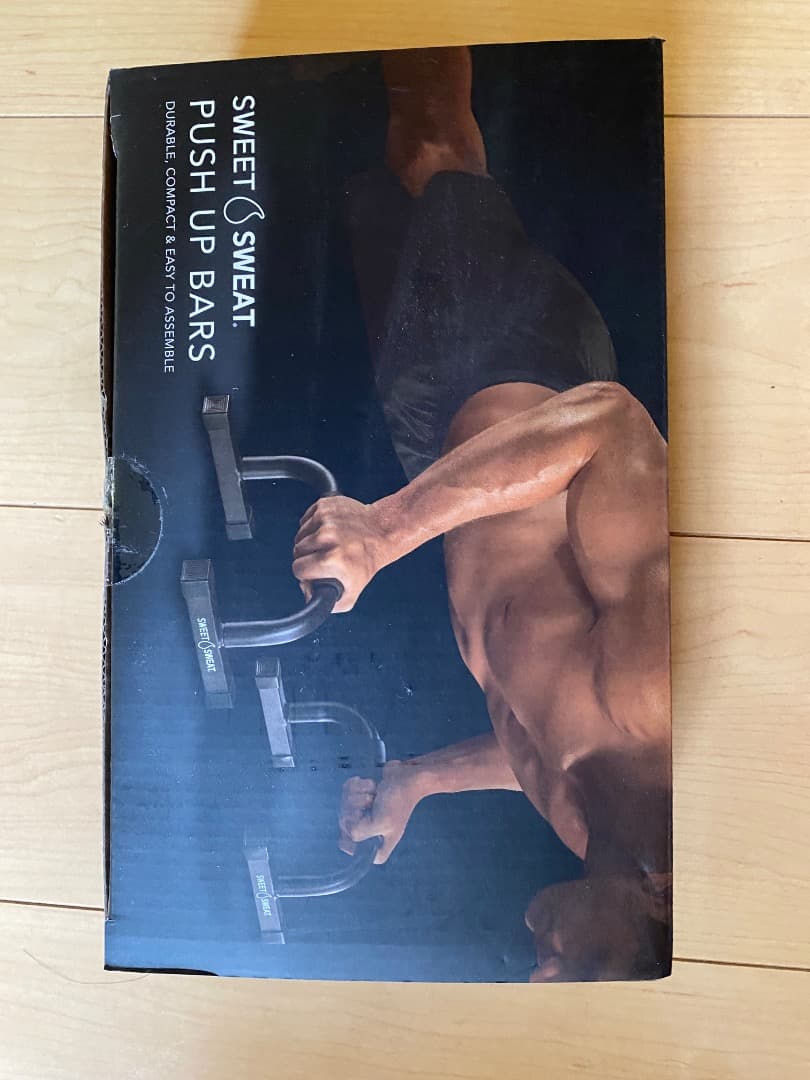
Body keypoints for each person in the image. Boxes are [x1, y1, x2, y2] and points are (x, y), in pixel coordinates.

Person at [292, 47, 672, 981]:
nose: (541, 971)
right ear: (661, 899)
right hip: (513, 362)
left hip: (438, 439)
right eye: (584, 971)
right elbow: (611, 423)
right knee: (433, 148)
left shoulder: (593, 830)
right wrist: (385, 531)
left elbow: (537, 737)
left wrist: (419, 780)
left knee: (388, 185)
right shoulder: (659, 700)